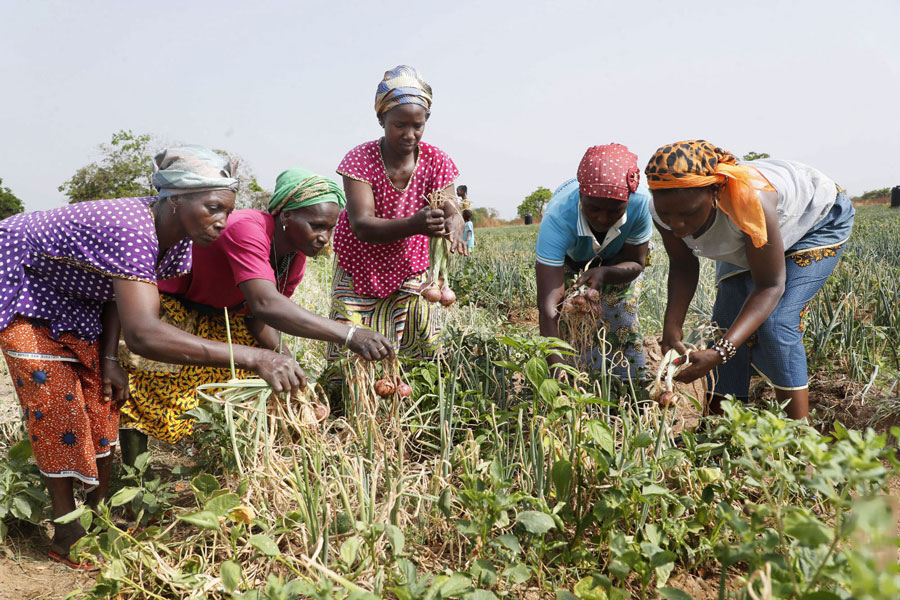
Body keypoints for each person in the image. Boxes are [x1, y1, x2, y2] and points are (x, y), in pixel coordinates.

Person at [0, 145, 304, 567]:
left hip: (78, 297)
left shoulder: (178, 241)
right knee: (56, 408)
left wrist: (109, 360)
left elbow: (117, 289)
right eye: (213, 208)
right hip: (23, 283)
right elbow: (143, 333)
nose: (221, 221)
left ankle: (98, 516)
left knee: (103, 402)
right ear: (175, 199)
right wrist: (254, 358)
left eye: (228, 211)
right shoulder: (131, 226)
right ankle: (66, 532)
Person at [118, 167, 395, 462]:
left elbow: (259, 317)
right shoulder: (246, 228)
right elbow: (266, 304)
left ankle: (225, 461)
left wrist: (287, 361)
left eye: (330, 228)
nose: (324, 238)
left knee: (243, 390)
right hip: (173, 306)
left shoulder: (295, 256)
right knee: (151, 386)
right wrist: (349, 334)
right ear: (286, 216)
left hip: (226, 317)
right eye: (316, 226)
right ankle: (137, 477)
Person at [646, 140, 854, 419]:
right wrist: (672, 328)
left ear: (715, 192)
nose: (677, 225)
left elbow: (770, 286)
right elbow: (684, 266)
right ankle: (719, 425)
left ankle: (798, 434)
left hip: (815, 220)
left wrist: (720, 353)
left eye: (688, 214)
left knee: (777, 323)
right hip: (752, 234)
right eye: (668, 215)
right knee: (724, 325)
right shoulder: (662, 210)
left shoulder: (748, 202)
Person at [327, 65, 466, 366]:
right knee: (351, 351)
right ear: (381, 119)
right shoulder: (360, 159)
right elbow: (362, 225)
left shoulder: (436, 159)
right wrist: (414, 224)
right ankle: (350, 393)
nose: (409, 134)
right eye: (399, 125)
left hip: (410, 265)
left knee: (419, 353)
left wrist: (454, 222)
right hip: (360, 263)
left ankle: (413, 391)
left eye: (418, 125)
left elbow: (451, 206)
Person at [535, 144, 652, 380]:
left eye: (615, 211)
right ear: (581, 196)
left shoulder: (641, 204)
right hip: (571, 259)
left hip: (620, 260)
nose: (603, 218)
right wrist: (557, 379)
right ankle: (577, 378)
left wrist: (605, 273)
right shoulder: (558, 216)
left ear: (628, 201)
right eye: (594, 209)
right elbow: (548, 307)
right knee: (571, 318)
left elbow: (635, 261)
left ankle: (629, 385)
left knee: (621, 316)